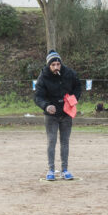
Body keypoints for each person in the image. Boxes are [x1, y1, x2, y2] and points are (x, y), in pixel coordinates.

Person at [34, 50, 83, 180]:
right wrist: (46, 106)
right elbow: (38, 97)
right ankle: (51, 170)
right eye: (53, 65)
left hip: (66, 113)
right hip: (51, 115)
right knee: (52, 141)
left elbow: (78, 86)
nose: (56, 67)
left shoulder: (69, 73)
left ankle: (65, 170)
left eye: (58, 64)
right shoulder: (43, 77)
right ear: (48, 65)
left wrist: (74, 98)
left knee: (65, 142)